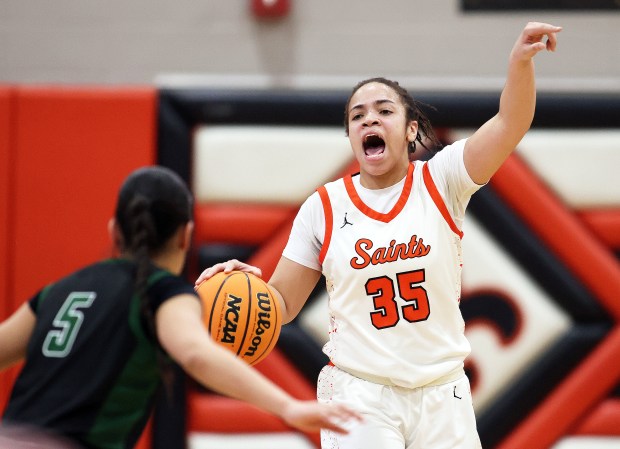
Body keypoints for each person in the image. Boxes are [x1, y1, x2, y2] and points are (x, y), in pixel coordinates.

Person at [195, 22, 562, 449]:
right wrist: (244, 290)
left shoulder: (442, 180)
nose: (370, 117)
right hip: (360, 392)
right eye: (358, 115)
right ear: (352, 136)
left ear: (410, 130)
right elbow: (282, 304)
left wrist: (519, 62)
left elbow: (511, 122)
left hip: (443, 391)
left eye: (385, 110)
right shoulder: (324, 207)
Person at [0, 166, 361, 449]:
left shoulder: (61, 290)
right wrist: (288, 408)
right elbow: (195, 353)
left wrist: (196, 296)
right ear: (185, 236)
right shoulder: (163, 295)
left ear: (114, 232)